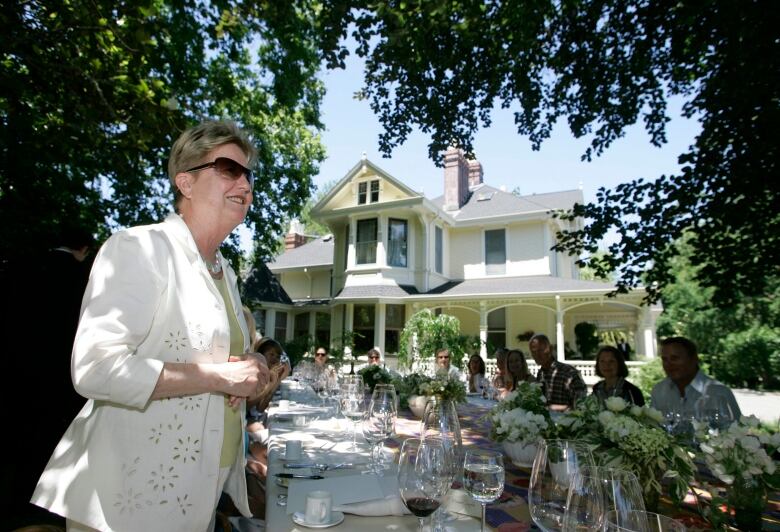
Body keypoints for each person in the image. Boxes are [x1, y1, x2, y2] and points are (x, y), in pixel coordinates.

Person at [31, 120, 270, 532]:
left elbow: (213, 361)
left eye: (249, 174)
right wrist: (221, 376)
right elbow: (95, 368)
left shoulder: (225, 273)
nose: (245, 184)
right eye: (230, 169)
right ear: (186, 182)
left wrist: (248, 367)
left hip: (200, 495)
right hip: (129, 500)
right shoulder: (139, 248)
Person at [651, 336, 741, 420]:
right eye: (664, 359)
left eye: (674, 358)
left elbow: (735, 431)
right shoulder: (659, 391)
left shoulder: (719, 392)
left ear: (694, 359)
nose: (669, 364)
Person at [529, 334, 587, 411]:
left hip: (567, 421)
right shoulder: (541, 374)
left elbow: (581, 405)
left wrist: (553, 409)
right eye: (533, 352)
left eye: (540, 350)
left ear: (551, 349)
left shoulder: (568, 373)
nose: (537, 355)